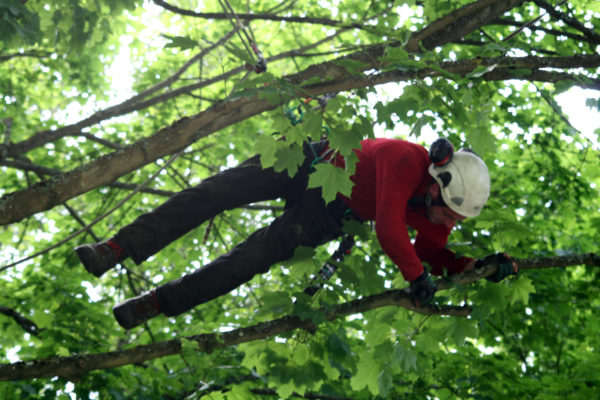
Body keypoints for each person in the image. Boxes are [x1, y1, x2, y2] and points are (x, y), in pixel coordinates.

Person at [75, 137, 518, 329]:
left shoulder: (432, 213)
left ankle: (155, 303)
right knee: (218, 190)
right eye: (449, 215)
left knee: (251, 258)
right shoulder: (407, 161)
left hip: (328, 214)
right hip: (316, 161)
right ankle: (116, 248)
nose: (447, 225)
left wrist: (476, 267)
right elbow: (387, 226)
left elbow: (433, 253)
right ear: (438, 185)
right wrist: (415, 277)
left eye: (456, 223)